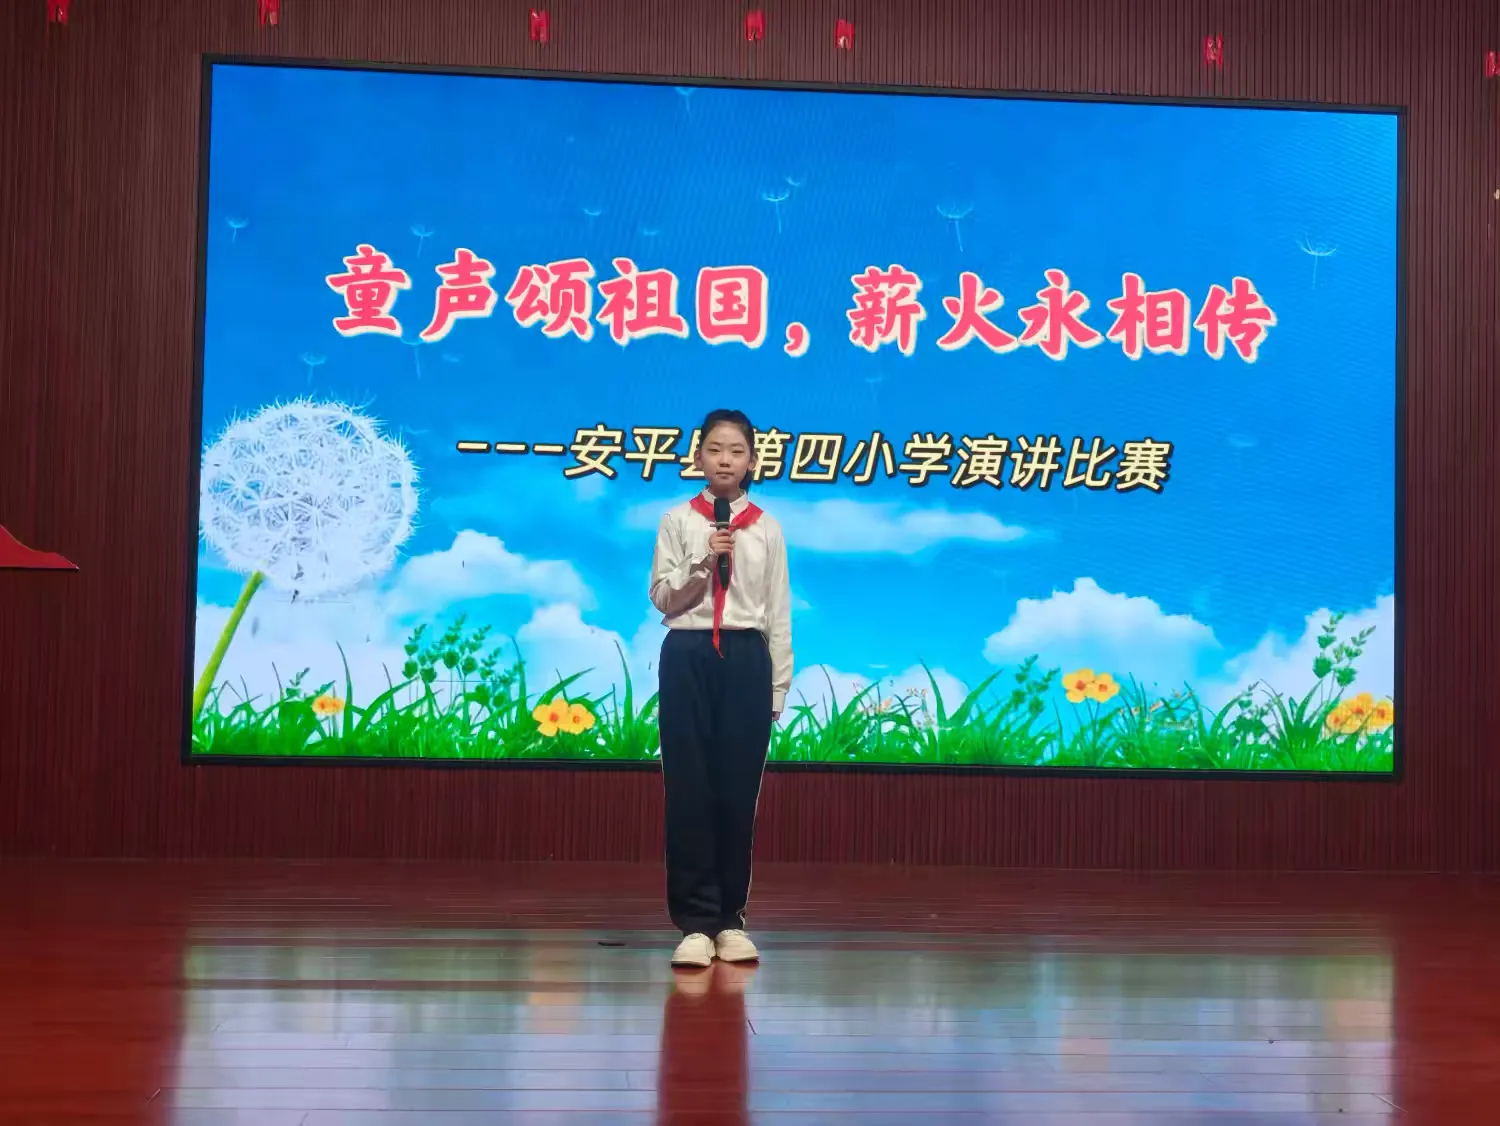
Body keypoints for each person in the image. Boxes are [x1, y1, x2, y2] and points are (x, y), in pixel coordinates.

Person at [648, 409, 792, 968]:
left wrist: (776, 688)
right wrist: (705, 559)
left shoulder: (768, 527)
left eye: (736, 451)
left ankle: (730, 919)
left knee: (737, 790)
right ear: (698, 457)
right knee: (688, 789)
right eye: (715, 449)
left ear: (752, 460)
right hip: (687, 653)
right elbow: (663, 598)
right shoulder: (677, 520)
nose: (725, 460)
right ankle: (694, 925)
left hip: (746, 658)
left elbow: (777, 613)